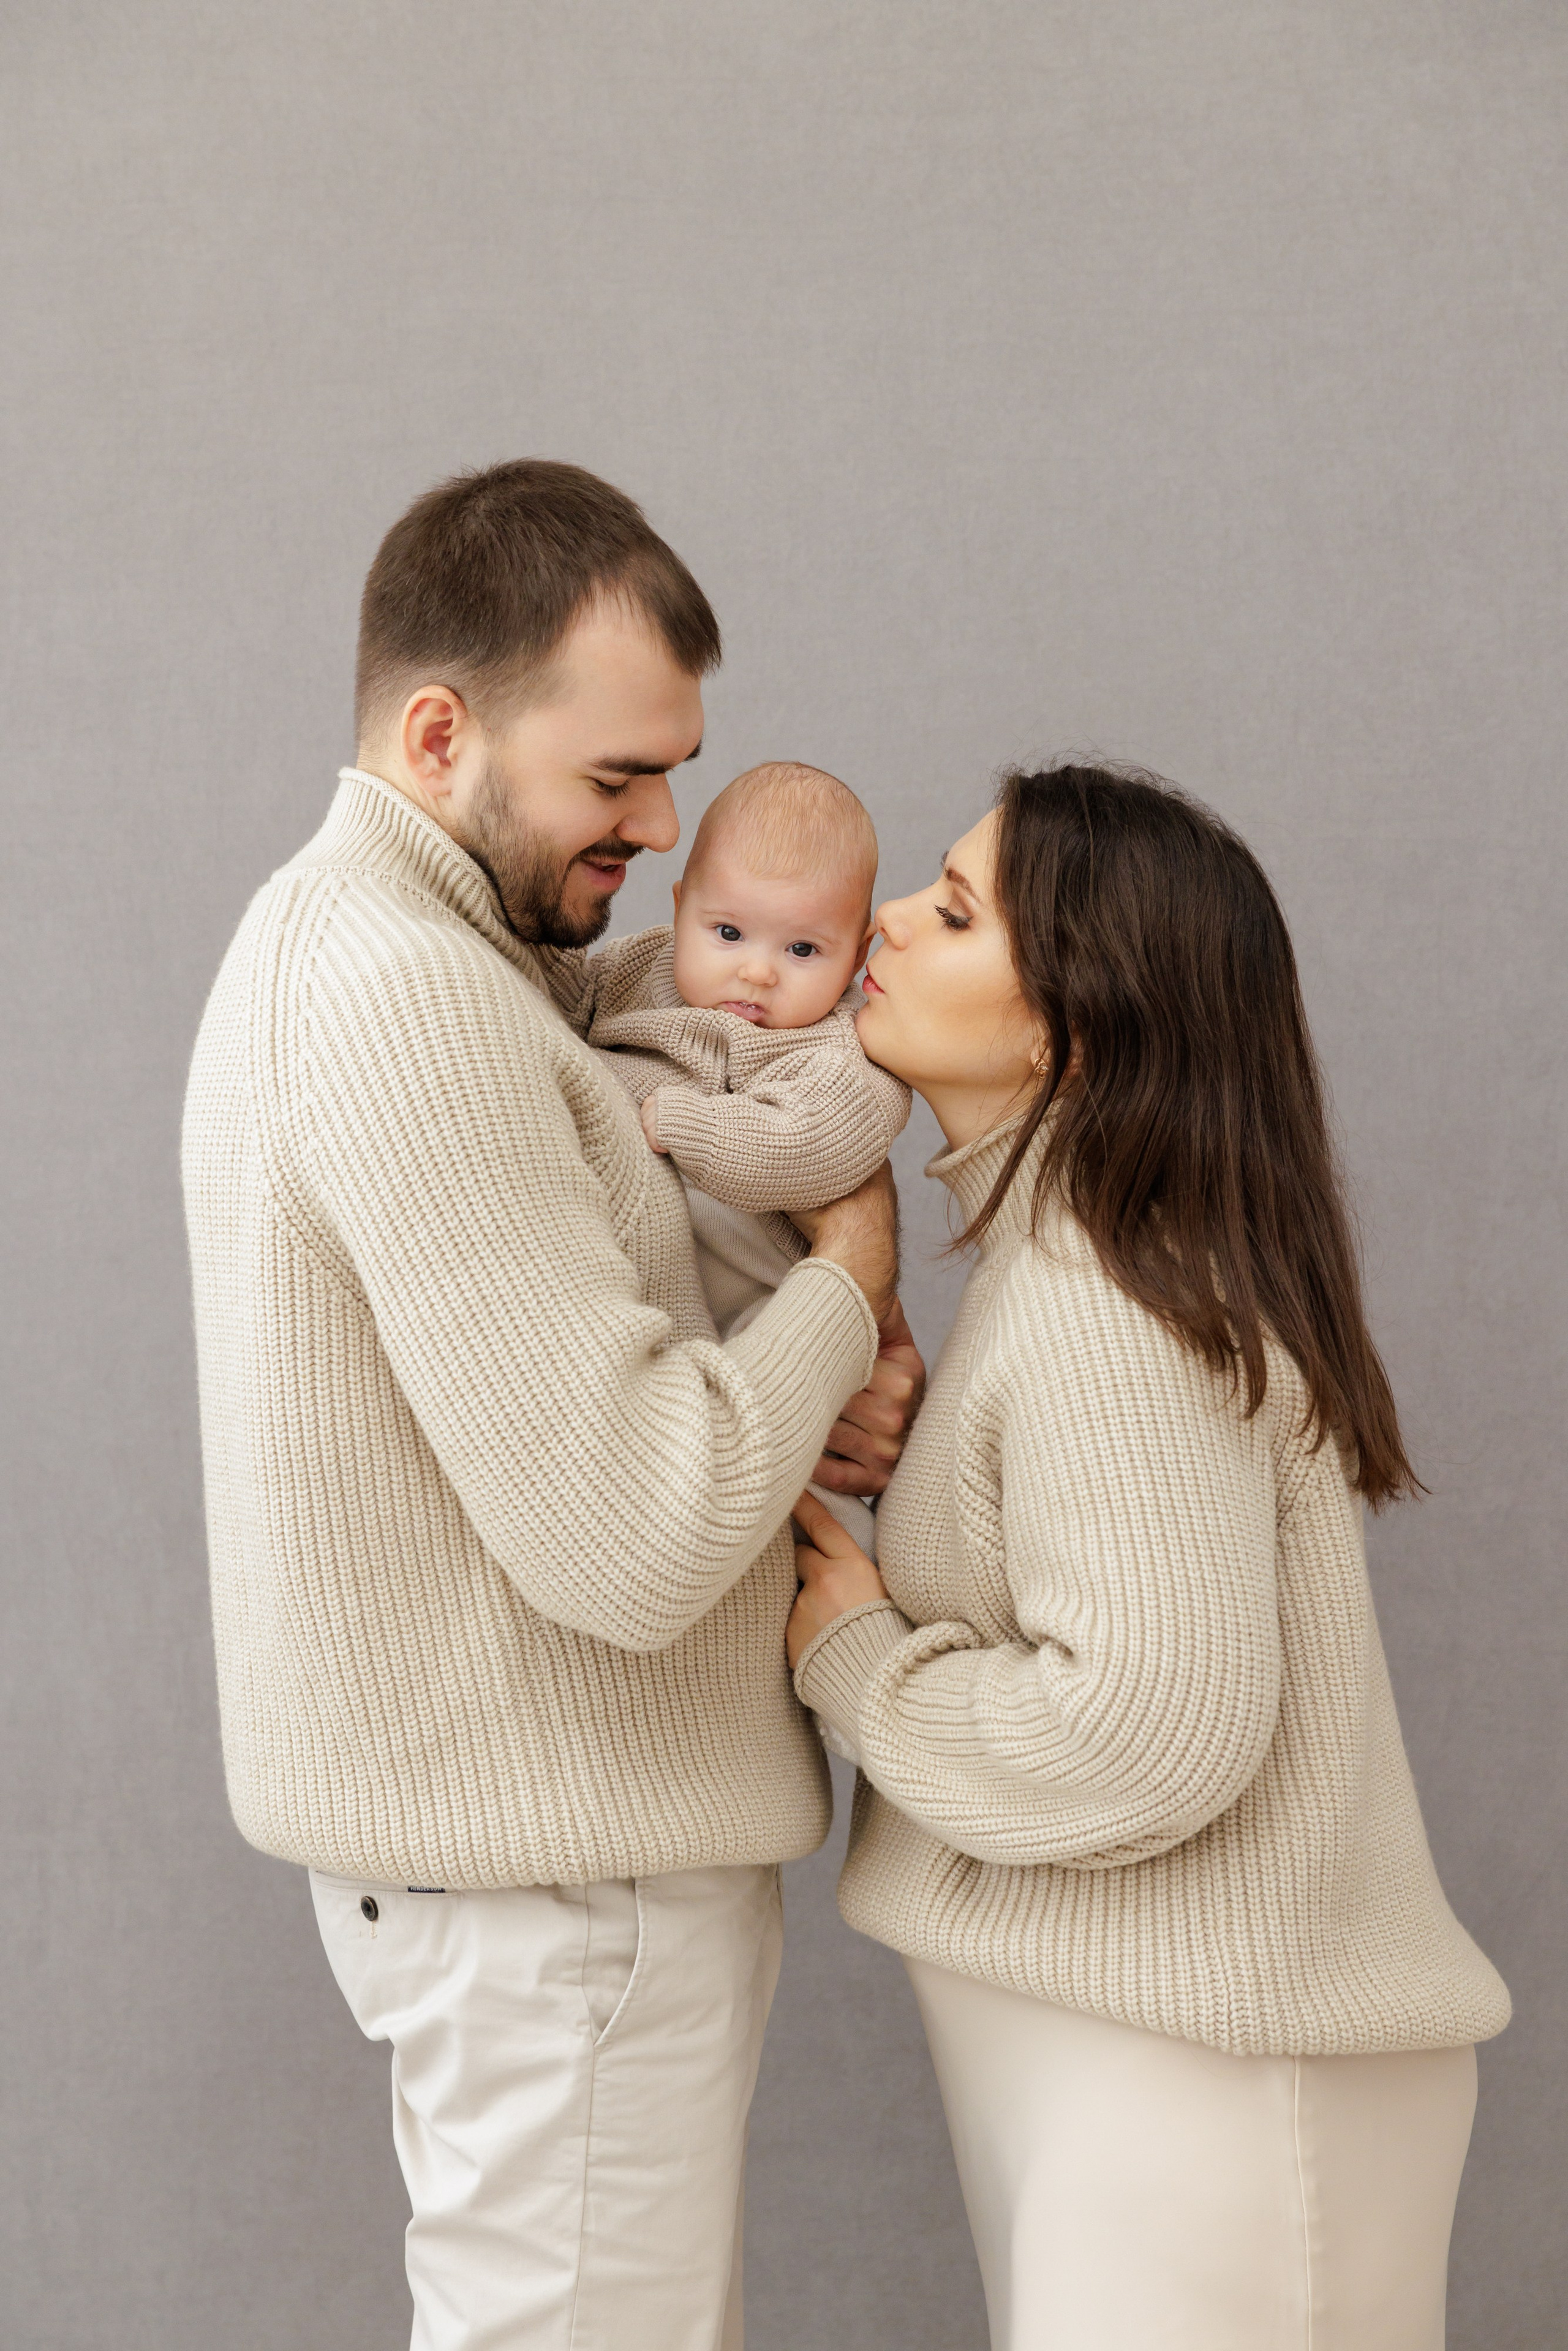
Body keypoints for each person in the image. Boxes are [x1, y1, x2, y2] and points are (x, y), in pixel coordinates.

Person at [179, 459, 923, 2351]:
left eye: (676, 769)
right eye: (615, 779)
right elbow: (642, 1524)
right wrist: (846, 1273)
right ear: (441, 732)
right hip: (563, 1901)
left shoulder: (439, 969)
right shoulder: (408, 993)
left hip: (542, 1887)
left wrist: (803, 1357)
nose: (672, 829)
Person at [788, 763, 1510, 2350]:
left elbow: (1143, 1728)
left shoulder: (1109, 1296)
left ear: (1073, 1023)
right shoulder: (1091, 1269)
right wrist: (931, 1479)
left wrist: (856, 1659)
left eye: (958, 910)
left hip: (1210, 2084)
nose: (888, 919)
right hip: (1173, 2073)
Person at [575, 758, 911, 1556]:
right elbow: (549, 1017)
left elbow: (807, 1148)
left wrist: (685, 1126)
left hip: (783, 1338)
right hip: (666, 1335)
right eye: (727, 933)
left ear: (857, 954)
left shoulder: (837, 1050)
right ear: (681, 905)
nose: (756, 970)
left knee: (824, 1529)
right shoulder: (634, 972)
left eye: (802, 948)